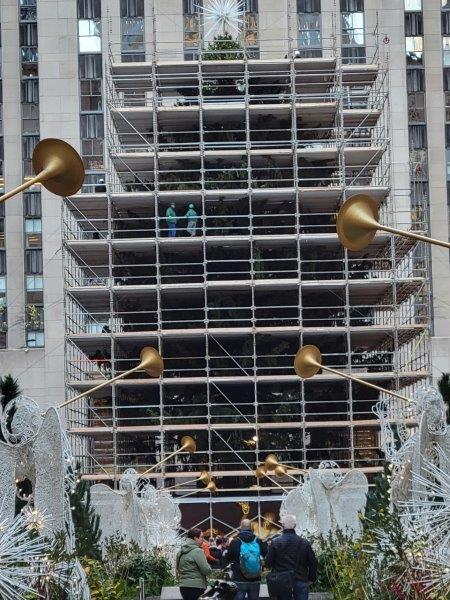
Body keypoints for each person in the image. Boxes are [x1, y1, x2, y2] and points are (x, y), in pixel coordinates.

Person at [265, 514, 317, 600]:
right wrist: (311, 578)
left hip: (282, 581)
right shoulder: (304, 542)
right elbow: (313, 563)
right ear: (295, 526)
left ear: (282, 525)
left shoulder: (275, 542)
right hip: (301, 579)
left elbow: (268, 563)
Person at [225, 518, 266, 600]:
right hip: (255, 578)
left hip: (239, 578)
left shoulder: (235, 542)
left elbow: (228, 558)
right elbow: (266, 554)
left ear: (240, 527)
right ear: (251, 527)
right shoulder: (258, 541)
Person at [176, 528, 212, 600]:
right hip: (196, 587)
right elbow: (206, 570)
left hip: (183, 587)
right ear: (195, 538)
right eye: (201, 537)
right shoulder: (198, 551)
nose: (203, 539)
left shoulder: (180, 552)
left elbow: (177, 569)